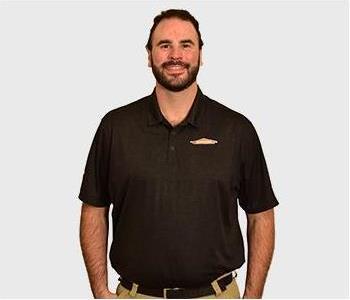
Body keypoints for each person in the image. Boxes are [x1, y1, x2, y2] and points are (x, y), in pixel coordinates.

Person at [78, 8, 279, 299]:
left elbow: (261, 215)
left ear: (200, 53)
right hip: (135, 295)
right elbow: (94, 209)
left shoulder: (237, 129)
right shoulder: (115, 127)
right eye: (164, 45)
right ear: (149, 55)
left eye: (186, 45)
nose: (176, 55)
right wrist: (99, 290)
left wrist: (253, 294)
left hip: (217, 295)